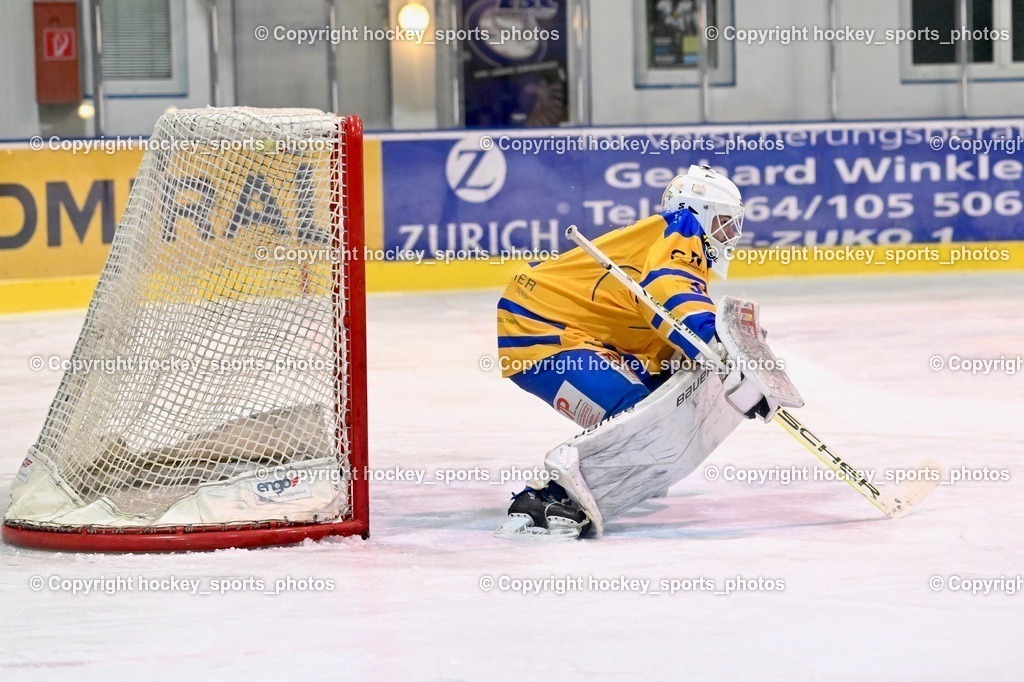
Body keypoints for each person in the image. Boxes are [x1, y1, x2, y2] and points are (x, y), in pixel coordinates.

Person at [495, 164, 770, 538]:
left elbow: (656, 320)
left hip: (574, 328)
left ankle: (627, 465)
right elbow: (669, 289)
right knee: (640, 416)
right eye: (724, 222)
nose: (730, 235)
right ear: (698, 211)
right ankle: (546, 499)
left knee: (667, 394)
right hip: (541, 329)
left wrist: (727, 359)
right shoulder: (683, 229)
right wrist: (716, 342)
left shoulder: (667, 240)